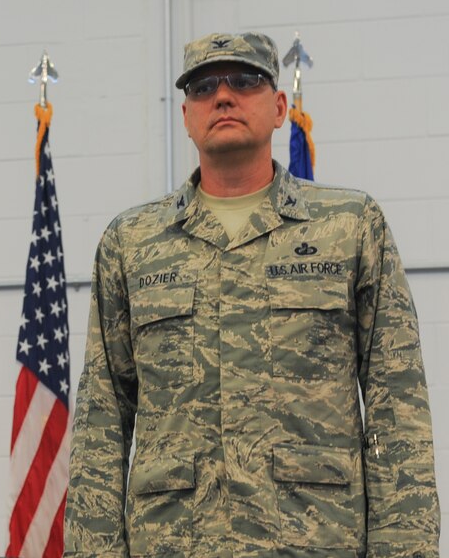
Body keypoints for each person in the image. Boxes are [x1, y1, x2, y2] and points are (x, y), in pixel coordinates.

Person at [64, 33, 440, 557]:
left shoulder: (350, 226)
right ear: (186, 115)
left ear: (280, 106)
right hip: (174, 542)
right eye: (203, 86)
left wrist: (406, 549)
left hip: (314, 540)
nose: (222, 96)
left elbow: (396, 404)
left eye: (244, 81)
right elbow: (103, 416)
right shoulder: (134, 242)